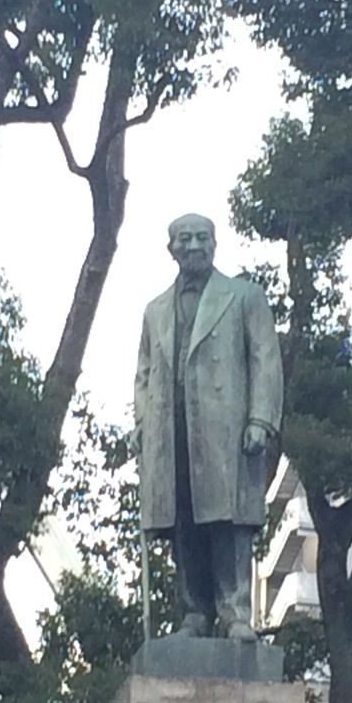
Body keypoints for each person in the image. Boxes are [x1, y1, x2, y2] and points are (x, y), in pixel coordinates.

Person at [133, 213, 283, 639]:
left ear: (215, 243)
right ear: (171, 249)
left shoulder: (244, 297)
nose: (193, 246)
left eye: (202, 237)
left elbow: (265, 360)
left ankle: (235, 613)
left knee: (227, 521)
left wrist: (260, 418)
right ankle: (194, 613)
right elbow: (144, 373)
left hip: (226, 429)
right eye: (184, 239)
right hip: (171, 429)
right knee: (184, 520)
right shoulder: (155, 310)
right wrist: (143, 423)